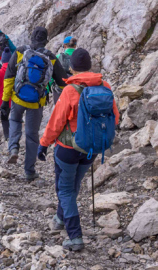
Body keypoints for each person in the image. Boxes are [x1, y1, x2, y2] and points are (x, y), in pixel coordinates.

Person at [39, 48, 119, 251]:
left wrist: (44, 144)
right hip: (92, 149)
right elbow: (115, 118)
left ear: (72, 68)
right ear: (90, 66)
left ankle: (75, 236)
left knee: (65, 189)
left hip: (68, 149)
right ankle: (60, 218)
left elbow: (56, 122)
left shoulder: (70, 90)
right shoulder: (105, 87)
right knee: (73, 185)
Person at [2, 26, 70, 181]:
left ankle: (13, 148)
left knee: (14, 120)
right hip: (36, 102)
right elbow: (63, 82)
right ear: (46, 41)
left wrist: (5, 101)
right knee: (32, 136)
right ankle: (29, 171)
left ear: (31, 37)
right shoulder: (50, 57)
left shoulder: (20, 51)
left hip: (18, 98)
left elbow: (9, 77)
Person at [50, 36, 78, 106]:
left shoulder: (58, 56)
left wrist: (50, 85)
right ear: (75, 45)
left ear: (64, 46)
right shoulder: (79, 56)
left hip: (60, 88)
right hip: (76, 88)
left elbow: (52, 73)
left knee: (59, 108)